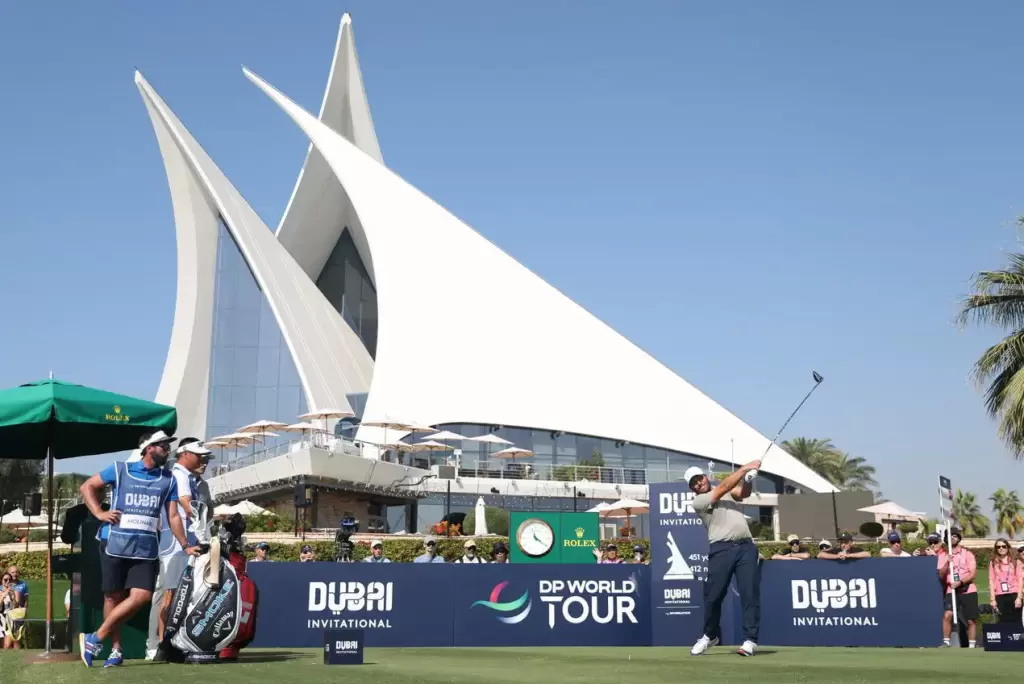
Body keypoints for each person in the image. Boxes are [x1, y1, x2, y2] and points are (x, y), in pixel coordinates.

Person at [78, 431, 198, 667]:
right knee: (113, 596)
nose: (167, 450)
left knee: (141, 596)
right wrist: (99, 513)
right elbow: (87, 487)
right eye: (163, 446)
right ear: (149, 448)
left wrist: (185, 545)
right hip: (114, 543)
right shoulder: (120, 469)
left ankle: (95, 637)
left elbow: (173, 516)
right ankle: (115, 650)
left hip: (146, 548)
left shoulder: (169, 479)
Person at [686, 460, 761, 657]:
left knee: (749, 593)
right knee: (713, 596)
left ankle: (750, 640)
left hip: (746, 547)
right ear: (693, 489)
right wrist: (744, 468)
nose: (698, 483)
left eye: (699, 479)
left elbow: (743, 493)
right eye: (693, 483)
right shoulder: (699, 501)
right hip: (721, 549)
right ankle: (709, 636)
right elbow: (724, 486)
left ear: (705, 477)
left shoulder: (726, 493)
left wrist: (748, 480)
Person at [147, 438, 211, 660]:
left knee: (173, 595)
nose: (202, 459)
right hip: (175, 545)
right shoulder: (180, 475)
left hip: (181, 544)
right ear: (184, 454)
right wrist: (202, 525)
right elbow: (186, 505)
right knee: (169, 596)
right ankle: (159, 648)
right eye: (198, 454)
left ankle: (164, 645)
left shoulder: (188, 477)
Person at [939, 527, 978, 648]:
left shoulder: (967, 554)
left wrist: (960, 582)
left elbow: (973, 573)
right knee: (947, 615)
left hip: (968, 589)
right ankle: (946, 642)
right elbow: (941, 574)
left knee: (971, 620)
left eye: (955, 536)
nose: (952, 538)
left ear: (959, 538)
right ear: (946, 539)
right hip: (952, 590)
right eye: (950, 536)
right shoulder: (943, 555)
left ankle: (972, 645)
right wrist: (947, 562)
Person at [989, 538, 1022, 624]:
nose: (1001, 548)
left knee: (1017, 621)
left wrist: (1019, 597)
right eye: (998, 547)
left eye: (1003, 546)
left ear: (1008, 547)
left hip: (1014, 594)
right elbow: (991, 581)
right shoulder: (993, 563)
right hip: (1000, 595)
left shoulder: (1015, 562)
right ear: (996, 549)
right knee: (1003, 621)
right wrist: (992, 599)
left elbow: (1020, 580)